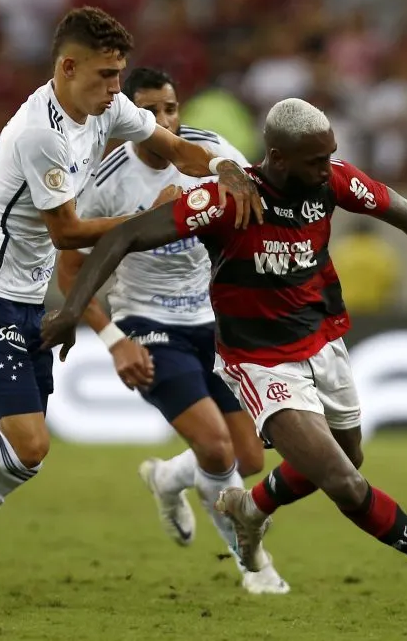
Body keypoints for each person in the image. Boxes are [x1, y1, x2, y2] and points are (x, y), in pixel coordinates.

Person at [42, 98, 407, 617]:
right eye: (314, 159)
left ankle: (252, 507)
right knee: (345, 483)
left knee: (347, 457)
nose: (326, 166)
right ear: (278, 158)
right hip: (259, 361)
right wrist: (73, 309)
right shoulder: (224, 201)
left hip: (323, 340)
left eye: (330, 154)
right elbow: (127, 234)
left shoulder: (331, 180)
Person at [0, 6, 262, 610]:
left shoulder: (107, 107)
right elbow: (67, 232)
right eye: (105, 75)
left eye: (119, 74)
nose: (116, 87)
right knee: (28, 446)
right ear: (67, 67)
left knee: (19, 463)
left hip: (28, 294)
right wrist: (158, 220)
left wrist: (227, 170)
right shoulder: (41, 132)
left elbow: (177, 149)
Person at [58, 67, 287, 594]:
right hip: (148, 322)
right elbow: (69, 273)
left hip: (214, 319)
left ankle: (166, 478)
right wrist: (116, 341)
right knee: (215, 448)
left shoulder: (210, 152)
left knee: (249, 457)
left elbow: (257, 210)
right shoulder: (104, 180)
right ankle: (254, 565)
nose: (164, 121)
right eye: (149, 113)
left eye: (171, 108)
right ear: (124, 116)